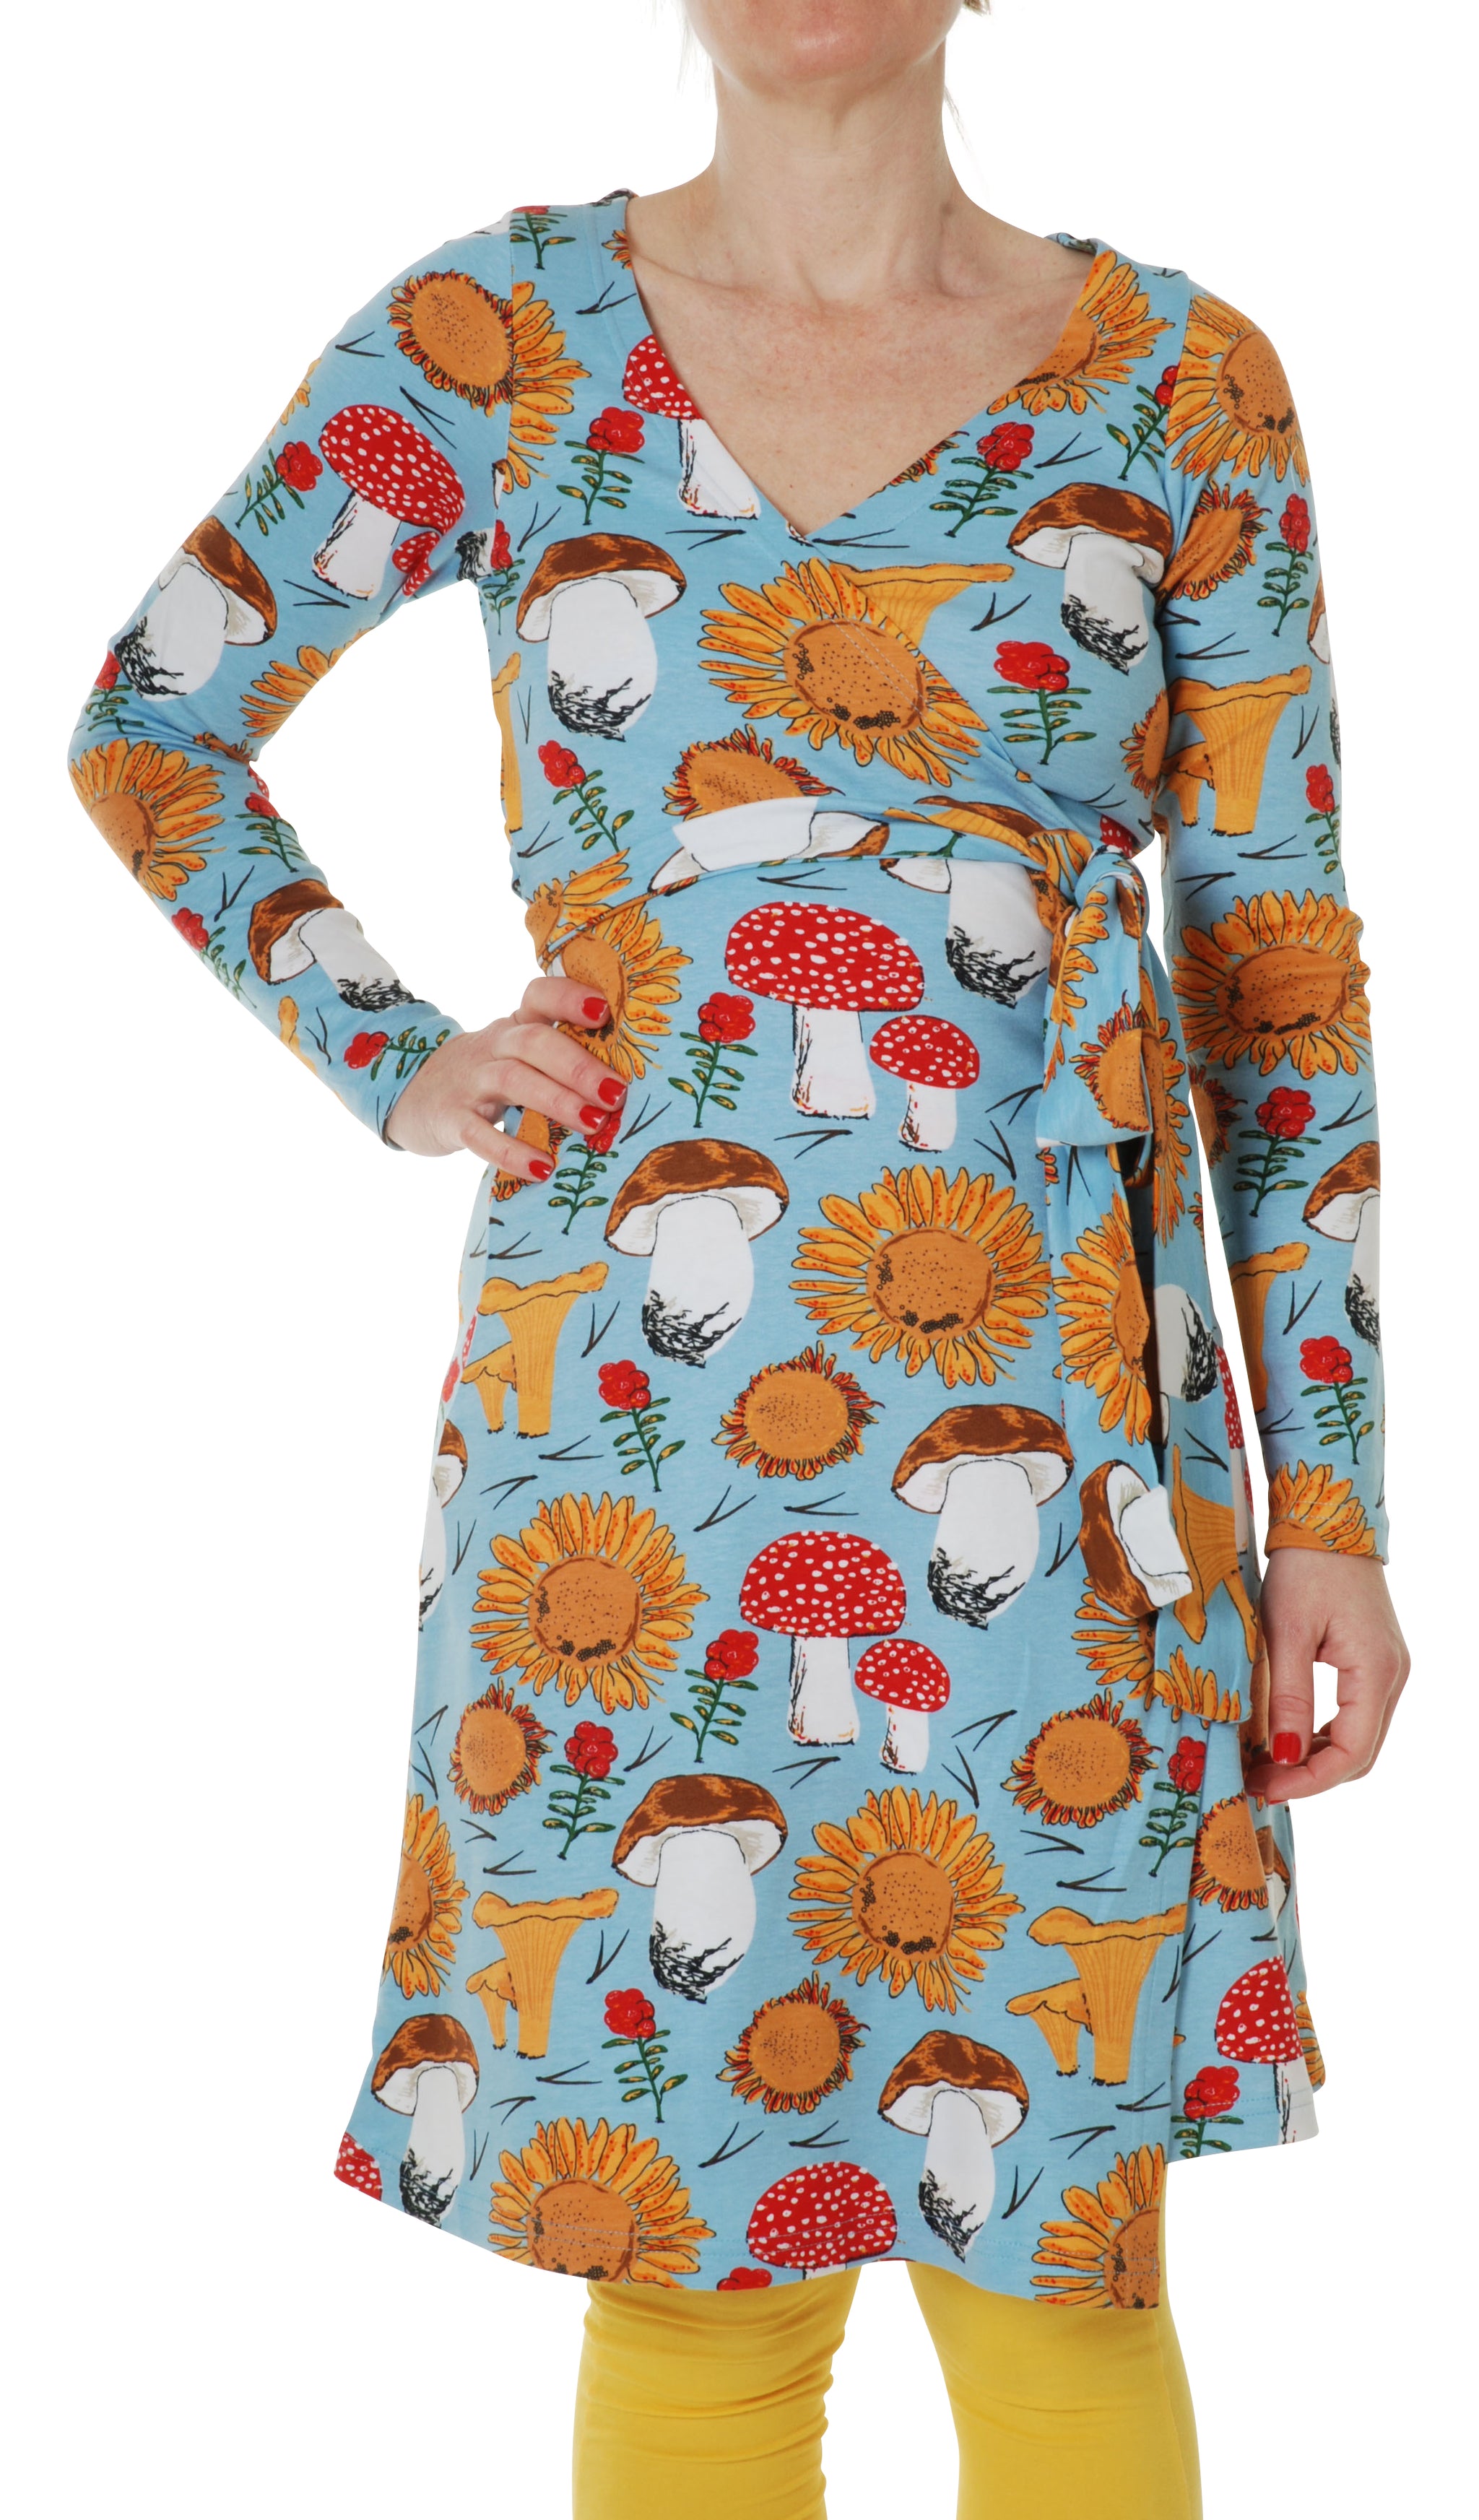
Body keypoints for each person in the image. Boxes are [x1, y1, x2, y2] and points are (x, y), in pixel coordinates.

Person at [66, 4, 1410, 2514]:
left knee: (1060, 2245)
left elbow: (1276, 970)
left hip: (1067, 1430)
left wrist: (1329, 1497)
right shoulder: (491, 335)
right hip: (639, 1441)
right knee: (687, 2240)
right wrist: (397, 1051)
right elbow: (153, 720)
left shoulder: (1186, 381)